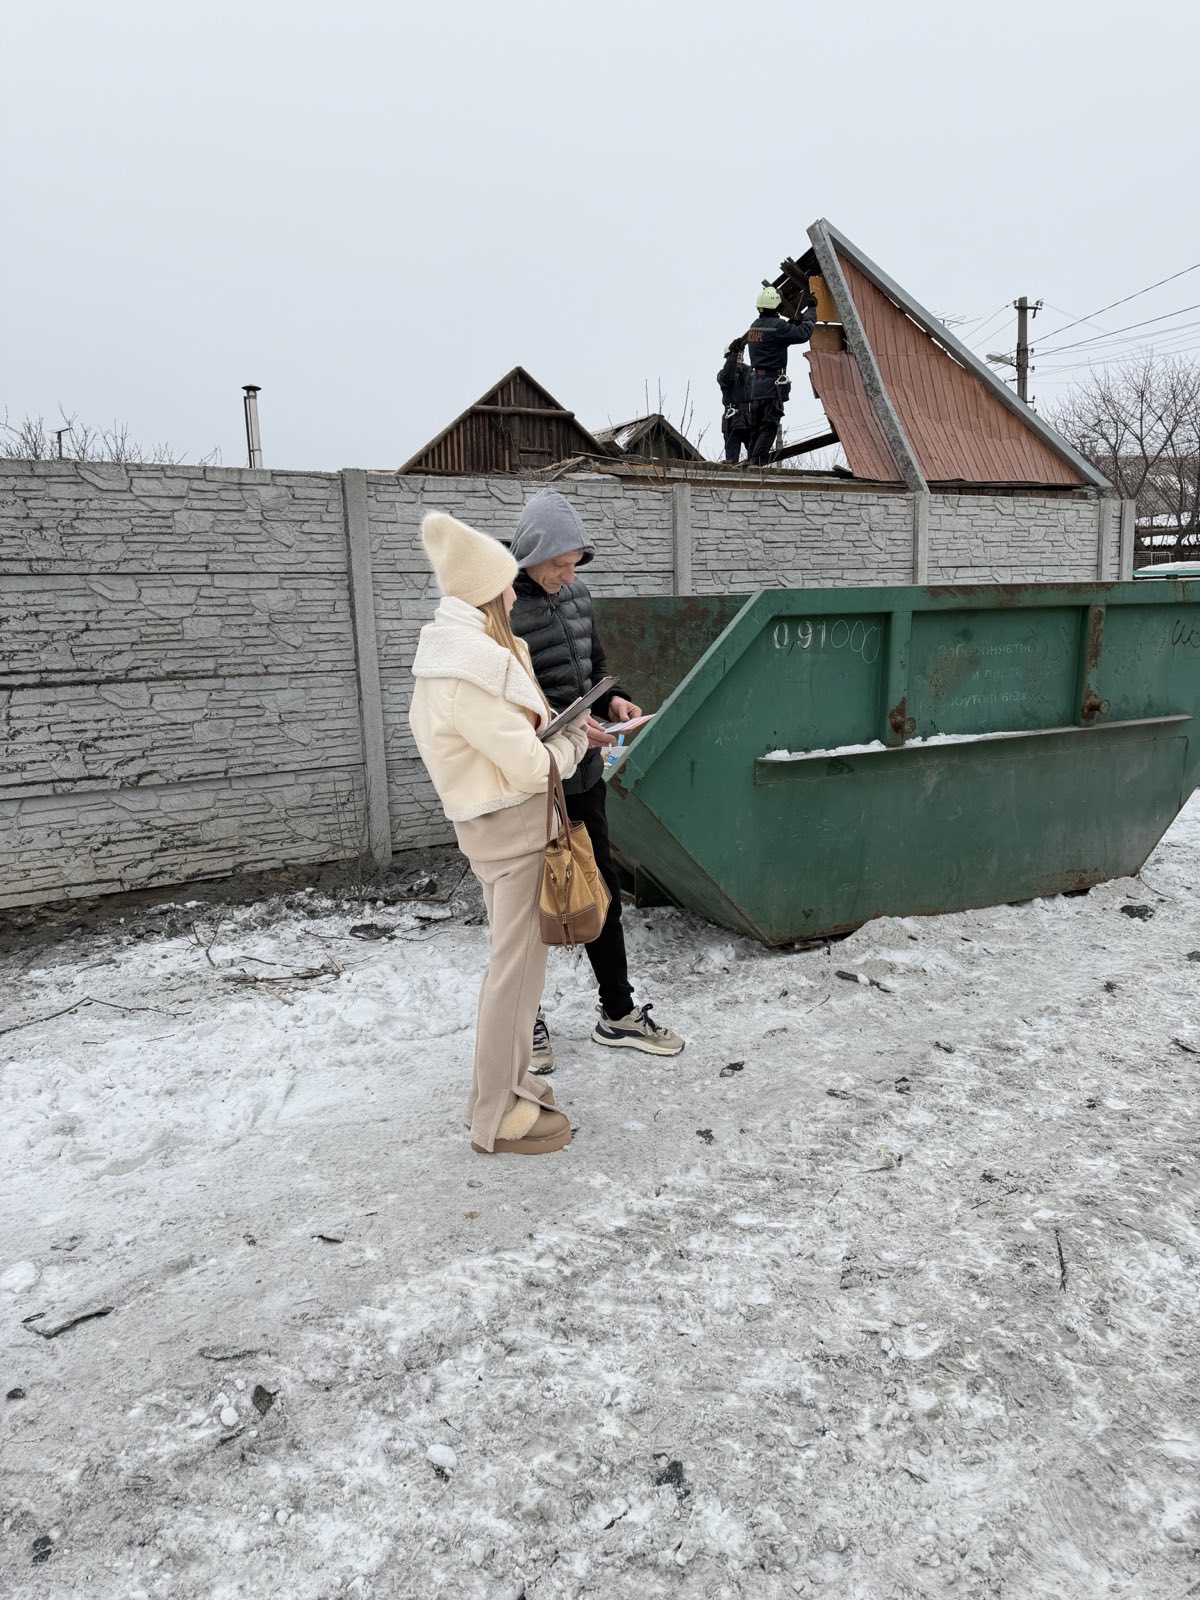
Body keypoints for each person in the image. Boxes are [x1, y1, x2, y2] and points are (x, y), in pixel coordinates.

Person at [408, 510, 590, 1156]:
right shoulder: (473, 667)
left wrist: (556, 732)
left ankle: (499, 1092)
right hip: (514, 831)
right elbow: (531, 765)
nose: (517, 593)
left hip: (494, 827)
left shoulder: (454, 658)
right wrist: (574, 741)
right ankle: (497, 1113)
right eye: (507, 583)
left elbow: (505, 744)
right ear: (488, 593)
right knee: (515, 977)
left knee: (514, 971)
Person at [508, 489, 685, 1069]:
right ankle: (526, 1021)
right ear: (533, 552)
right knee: (529, 902)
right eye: (561, 563)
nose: (571, 575)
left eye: (575, 564)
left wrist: (614, 703)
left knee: (600, 888)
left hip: (583, 774)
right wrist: (563, 723)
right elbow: (503, 701)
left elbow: (595, 670)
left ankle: (618, 1012)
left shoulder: (577, 595)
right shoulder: (500, 609)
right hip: (532, 782)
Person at [745, 283, 818, 466]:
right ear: (777, 306)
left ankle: (749, 462)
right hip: (771, 385)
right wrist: (811, 310)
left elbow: (775, 335)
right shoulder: (778, 327)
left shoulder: (754, 327)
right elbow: (803, 333)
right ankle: (755, 465)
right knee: (769, 427)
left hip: (756, 386)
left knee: (756, 428)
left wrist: (790, 325)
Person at [717, 336, 754, 463]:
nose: (739, 355)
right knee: (731, 460)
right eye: (736, 354)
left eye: (740, 353)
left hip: (749, 418)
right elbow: (728, 375)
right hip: (732, 419)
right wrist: (734, 352)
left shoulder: (750, 372)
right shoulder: (723, 375)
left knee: (756, 459)